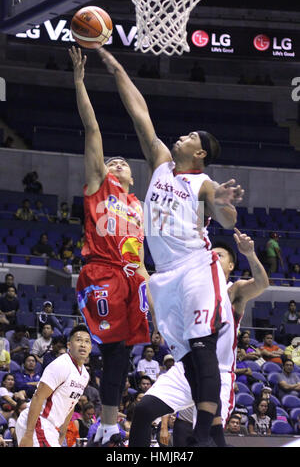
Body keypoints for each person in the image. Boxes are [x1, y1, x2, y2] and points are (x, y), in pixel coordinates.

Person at [98, 46, 245, 448]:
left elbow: (223, 218)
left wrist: (226, 206)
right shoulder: (161, 163)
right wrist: (113, 66)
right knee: (184, 356)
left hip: (197, 266)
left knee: (202, 346)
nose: (182, 135)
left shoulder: (203, 185)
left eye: (191, 137)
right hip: (164, 276)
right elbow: (139, 113)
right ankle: (212, 434)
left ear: (198, 154)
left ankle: (202, 434)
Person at [68, 46, 153, 448]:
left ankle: (109, 425)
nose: (116, 163)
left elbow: (186, 226)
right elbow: (93, 131)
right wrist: (80, 83)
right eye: (111, 160)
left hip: (133, 280)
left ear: (133, 178)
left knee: (122, 356)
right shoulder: (99, 186)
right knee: (113, 350)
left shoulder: (140, 206)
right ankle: (105, 422)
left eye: (123, 162)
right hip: (100, 270)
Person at [128, 231, 269, 447]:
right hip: (185, 370)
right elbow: (153, 285)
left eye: (219, 256)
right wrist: (139, 254)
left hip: (218, 375)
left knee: (207, 440)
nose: (211, 258)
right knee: (144, 410)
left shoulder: (233, 291)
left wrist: (250, 254)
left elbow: (261, 284)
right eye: (210, 255)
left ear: (231, 266)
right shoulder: (187, 290)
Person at [15, 324, 91, 447]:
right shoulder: (61, 365)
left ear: (91, 348)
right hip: (37, 422)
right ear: (69, 346)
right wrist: (29, 434)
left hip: (50, 427)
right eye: (79, 340)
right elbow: (38, 397)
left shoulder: (85, 376)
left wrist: (62, 433)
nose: (83, 344)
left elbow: (71, 404)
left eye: (87, 341)